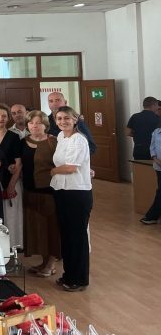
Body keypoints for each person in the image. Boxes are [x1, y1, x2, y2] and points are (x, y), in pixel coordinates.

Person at [50, 106, 93, 291]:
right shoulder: (61, 136)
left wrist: (53, 171)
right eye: (59, 118)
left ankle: (79, 279)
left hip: (77, 192)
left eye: (67, 118)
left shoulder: (79, 139)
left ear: (75, 120)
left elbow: (71, 167)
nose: (63, 121)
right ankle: (69, 275)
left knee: (77, 236)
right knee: (67, 235)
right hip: (62, 190)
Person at [20, 111, 60, 277]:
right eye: (31, 123)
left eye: (38, 123)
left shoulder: (53, 141)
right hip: (30, 190)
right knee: (38, 229)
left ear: (45, 125)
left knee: (52, 228)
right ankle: (44, 261)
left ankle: (51, 263)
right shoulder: (23, 142)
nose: (34, 126)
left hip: (49, 191)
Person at [0, 104, 24, 248]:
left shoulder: (13, 137)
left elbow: (18, 164)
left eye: (4, 116)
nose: (0, 118)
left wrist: (11, 186)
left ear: (8, 118)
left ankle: (12, 247)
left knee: (11, 217)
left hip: (11, 182)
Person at [126, 96, 160, 160]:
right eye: (157, 105)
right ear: (153, 105)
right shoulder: (158, 118)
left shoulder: (134, 116)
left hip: (138, 150)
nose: (158, 107)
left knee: (139, 166)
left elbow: (127, 132)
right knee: (152, 166)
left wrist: (138, 135)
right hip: (153, 151)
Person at [140, 125, 161, 224]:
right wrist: (155, 159)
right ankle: (152, 216)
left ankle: (152, 216)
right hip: (158, 167)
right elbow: (152, 148)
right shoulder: (156, 132)